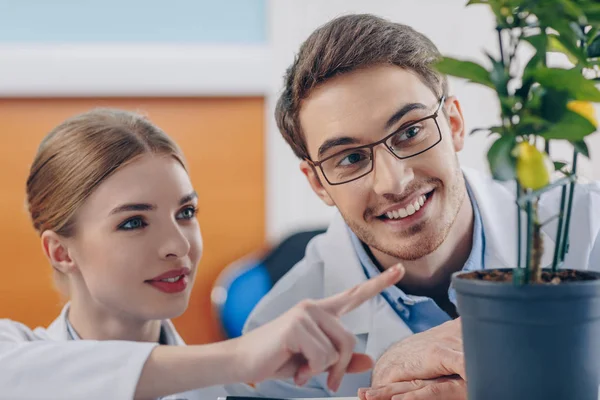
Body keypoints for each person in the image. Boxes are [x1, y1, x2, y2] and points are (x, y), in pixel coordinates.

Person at [232, 13, 600, 399]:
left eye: (410, 132)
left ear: (454, 123)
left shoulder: (588, 229)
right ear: (318, 183)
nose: (394, 182)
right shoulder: (276, 340)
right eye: (351, 158)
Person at [0, 108, 406, 400]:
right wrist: (239, 357)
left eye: (186, 213)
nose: (178, 245)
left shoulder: (217, 390)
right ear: (61, 252)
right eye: (133, 222)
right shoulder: (12, 351)